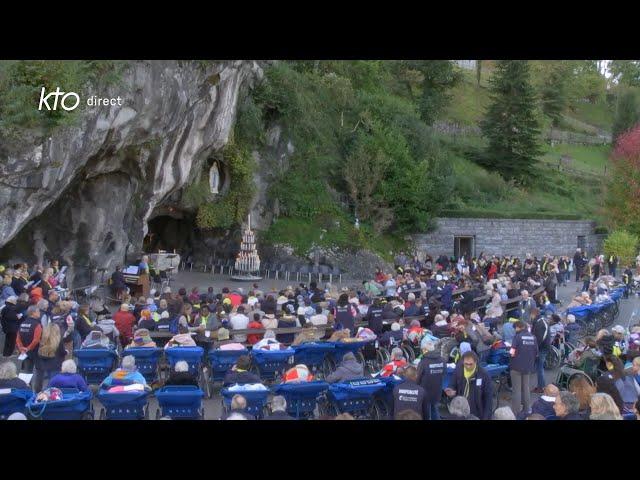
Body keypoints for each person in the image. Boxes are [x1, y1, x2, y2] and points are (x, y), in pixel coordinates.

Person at [444, 351, 493, 420]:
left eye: (471, 364)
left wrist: (486, 417)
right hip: (461, 411)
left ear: (476, 362)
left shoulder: (484, 375)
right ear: (463, 362)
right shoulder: (458, 370)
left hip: (476, 412)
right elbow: (452, 384)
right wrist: (451, 390)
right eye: (466, 364)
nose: (468, 366)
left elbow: (488, 400)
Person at [509, 320, 538, 416]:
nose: (515, 330)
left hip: (516, 366)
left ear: (519, 327)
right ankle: (527, 409)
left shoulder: (517, 337)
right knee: (526, 388)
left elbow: (512, 352)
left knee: (516, 390)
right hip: (528, 366)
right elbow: (536, 352)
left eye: (515, 328)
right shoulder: (533, 337)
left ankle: (516, 412)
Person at [416, 340, 445, 420]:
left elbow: (418, 377)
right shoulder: (442, 360)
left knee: (426, 413)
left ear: (425, 350)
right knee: (434, 409)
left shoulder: (423, 362)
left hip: (425, 392)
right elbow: (444, 373)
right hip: (437, 391)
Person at [33, 323, 66, 393]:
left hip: (42, 365)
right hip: (55, 365)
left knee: (40, 383)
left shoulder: (41, 340)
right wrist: (66, 352)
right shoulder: (58, 341)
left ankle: (38, 395)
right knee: (54, 386)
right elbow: (62, 352)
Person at [16, 305, 43, 373]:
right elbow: (36, 339)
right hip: (36, 351)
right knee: (39, 371)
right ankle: (37, 384)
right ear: (33, 313)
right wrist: (28, 348)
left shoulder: (22, 323)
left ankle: (27, 383)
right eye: (38, 311)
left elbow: (18, 338)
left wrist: (21, 348)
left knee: (27, 371)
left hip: (25, 352)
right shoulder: (37, 324)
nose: (39, 313)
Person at [531, 310, 550, 393]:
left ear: (533, 314)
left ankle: (541, 387)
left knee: (540, 368)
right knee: (539, 367)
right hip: (543, 347)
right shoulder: (541, 321)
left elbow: (539, 339)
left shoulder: (539, 324)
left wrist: (535, 350)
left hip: (541, 348)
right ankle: (541, 386)